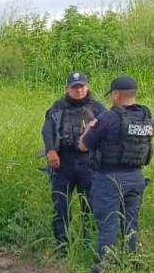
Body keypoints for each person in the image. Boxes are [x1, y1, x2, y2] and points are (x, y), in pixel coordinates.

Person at [79, 76, 154, 273]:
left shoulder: (109, 118)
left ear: (116, 95)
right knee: (131, 225)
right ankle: (133, 268)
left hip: (110, 179)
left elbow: (84, 145)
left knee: (108, 226)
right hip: (136, 177)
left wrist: (88, 129)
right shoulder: (146, 116)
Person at [41, 72, 106, 256]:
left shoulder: (98, 108)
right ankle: (62, 248)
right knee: (61, 206)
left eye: (82, 86)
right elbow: (47, 129)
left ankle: (88, 245)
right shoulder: (58, 107)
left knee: (90, 206)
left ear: (87, 87)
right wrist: (51, 150)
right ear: (67, 89)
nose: (79, 90)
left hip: (88, 164)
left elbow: (107, 132)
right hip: (63, 163)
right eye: (75, 87)